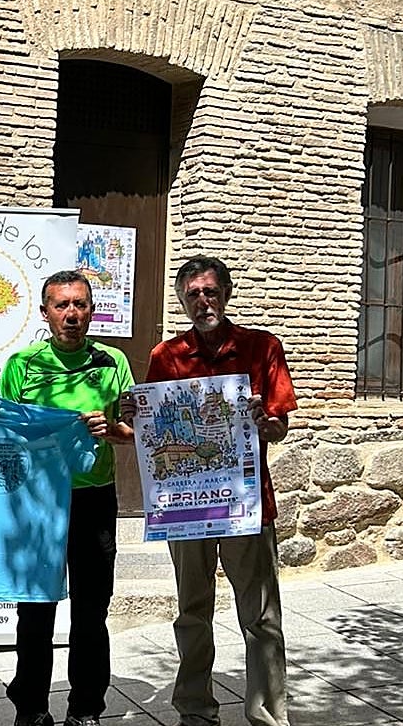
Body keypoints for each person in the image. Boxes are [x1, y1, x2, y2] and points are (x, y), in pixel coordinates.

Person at [121, 255, 296, 726]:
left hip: (246, 504)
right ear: (182, 301)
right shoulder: (166, 356)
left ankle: (268, 715)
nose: (203, 301)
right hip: (187, 510)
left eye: (211, 291)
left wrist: (265, 423)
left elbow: (279, 426)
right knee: (192, 612)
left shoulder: (262, 347)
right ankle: (196, 712)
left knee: (261, 617)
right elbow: (152, 429)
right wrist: (134, 414)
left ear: (227, 294)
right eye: (193, 294)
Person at [0, 270, 134, 726]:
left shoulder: (113, 362)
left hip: (94, 500)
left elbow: (136, 431)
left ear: (92, 311)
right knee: (35, 609)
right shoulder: (22, 365)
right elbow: (5, 435)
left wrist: (111, 429)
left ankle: (86, 708)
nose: (71, 314)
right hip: (38, 502)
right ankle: (31, 708)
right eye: (62, 305)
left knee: (92, 610)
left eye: (80, 304)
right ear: (45, 313)